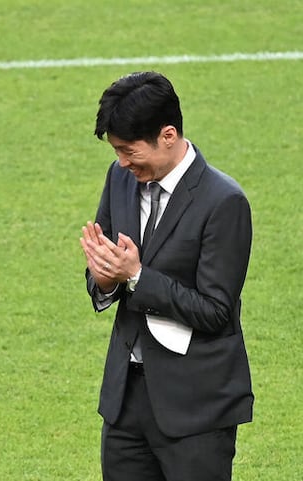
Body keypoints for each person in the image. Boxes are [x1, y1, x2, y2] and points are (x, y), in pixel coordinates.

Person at [80, 71, 253, 481]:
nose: (122, 162)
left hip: (195, 406)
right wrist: (104, 278)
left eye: (129, 150)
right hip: (125, 402)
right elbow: (107, 274)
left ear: (168, 135)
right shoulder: (120, 178)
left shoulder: (224, 202)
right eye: (116, 151)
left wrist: (137, 277)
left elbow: (215, 311)